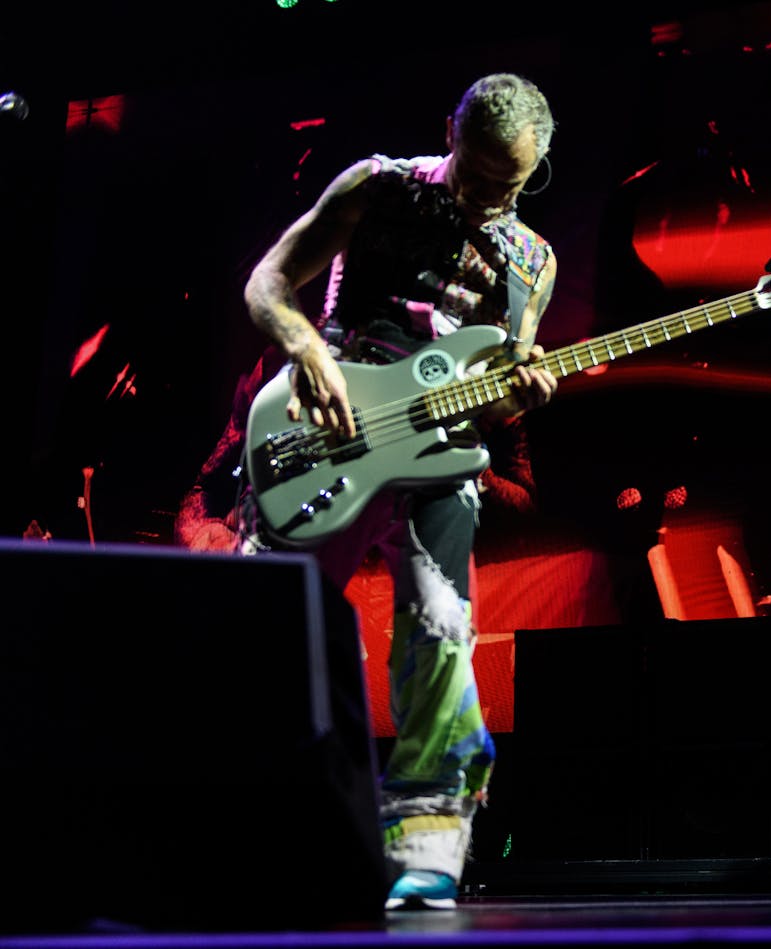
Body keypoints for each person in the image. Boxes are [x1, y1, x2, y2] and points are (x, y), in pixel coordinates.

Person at [235, 73, 560, 911]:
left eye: (509, 183)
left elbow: (493, 377)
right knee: (264, 622)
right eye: (477, 170)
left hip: (442, 454)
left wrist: (516, 393)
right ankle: (228, 811)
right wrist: (306, 347)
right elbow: (267, 282)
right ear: (449, 133)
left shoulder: (531, 259)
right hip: (332, 422)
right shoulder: (379, 184)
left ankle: (427, 846)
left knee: (443, 632)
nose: (488, 194)